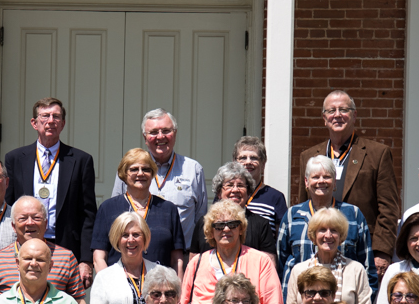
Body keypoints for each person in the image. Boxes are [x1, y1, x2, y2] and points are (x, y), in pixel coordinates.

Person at [299, 90, 401, 276]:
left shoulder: (377, 153)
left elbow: (389, 208)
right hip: (316, 249)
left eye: (343, 110)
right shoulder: (309, 156)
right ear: (324, 118)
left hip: (361, 249)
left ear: (354, 116)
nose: (337, 115)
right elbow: (303, 203)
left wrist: (381, 251)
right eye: (331, 111)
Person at [5, 98, 98, 287]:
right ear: (34, 123)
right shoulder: (15, 159)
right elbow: (8, 208)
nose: (50, 121)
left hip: (65, 247)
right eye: (45, 116)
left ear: (63, 124)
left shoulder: (81, 160)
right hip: (24, 246)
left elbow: (88, 214)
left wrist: (86, 260)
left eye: (56, 116)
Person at [179, 200, 284, 304]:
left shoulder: (261, 261)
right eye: (219, 226)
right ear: (210, 232)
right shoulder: (196, 263)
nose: (226, 229)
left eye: (233, 224)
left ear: (241, 229)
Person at [111, 108, 207, 249]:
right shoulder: (129, 169)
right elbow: (116, 214)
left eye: (166, 131)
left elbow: (201, 220)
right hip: (135, 258)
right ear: (145, 138)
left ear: (175, 133)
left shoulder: (193, 169)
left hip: (182, 258)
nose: (160, 137)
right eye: (154, 132)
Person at [278, 154, 376, 291]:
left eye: (327, 177)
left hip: (342, 303)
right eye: (316, 177)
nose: (321, 181)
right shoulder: (292, 216)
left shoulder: (353, 215)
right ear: (306, 182)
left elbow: (368, 268)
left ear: (335, 182)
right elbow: (280, 266)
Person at [283, 207, 373, 304]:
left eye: (334, 230)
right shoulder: (299, 270)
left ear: (341, 236)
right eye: (322, 230)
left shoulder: (355, 269)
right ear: (313, 236)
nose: (328, 235)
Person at [91, 148, 185, 275]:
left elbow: (177, 260)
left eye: (146, 169)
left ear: (152, 174)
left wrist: (177, 292)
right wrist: (109, 285)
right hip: (119, 288)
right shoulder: (108, 208)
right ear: (124, 173)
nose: (140, 173)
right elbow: (99, 257)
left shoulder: (168, 209)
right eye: (134, 169)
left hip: (160, 288)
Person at [88, 211, 158, 304]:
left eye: (136, 234)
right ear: (117, 240)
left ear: (145, 238)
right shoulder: (104, 278)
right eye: (125, 235)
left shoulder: (159, 273)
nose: (131, 240)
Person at [188, 162, 278, 258]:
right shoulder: (204, 223)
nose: (235, 190)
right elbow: (194, 261)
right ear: (219, 192)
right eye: (229, 185)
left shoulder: (261, 225)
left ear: (248, 193)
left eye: (240, 185)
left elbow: (269, 263)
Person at [233, 135, 289, 235]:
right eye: (243, 158)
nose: (248, 162)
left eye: (254, 158)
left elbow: (282, 237)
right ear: (234, 163)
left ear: (263, 164)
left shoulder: (275, 197)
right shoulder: (226, 194)